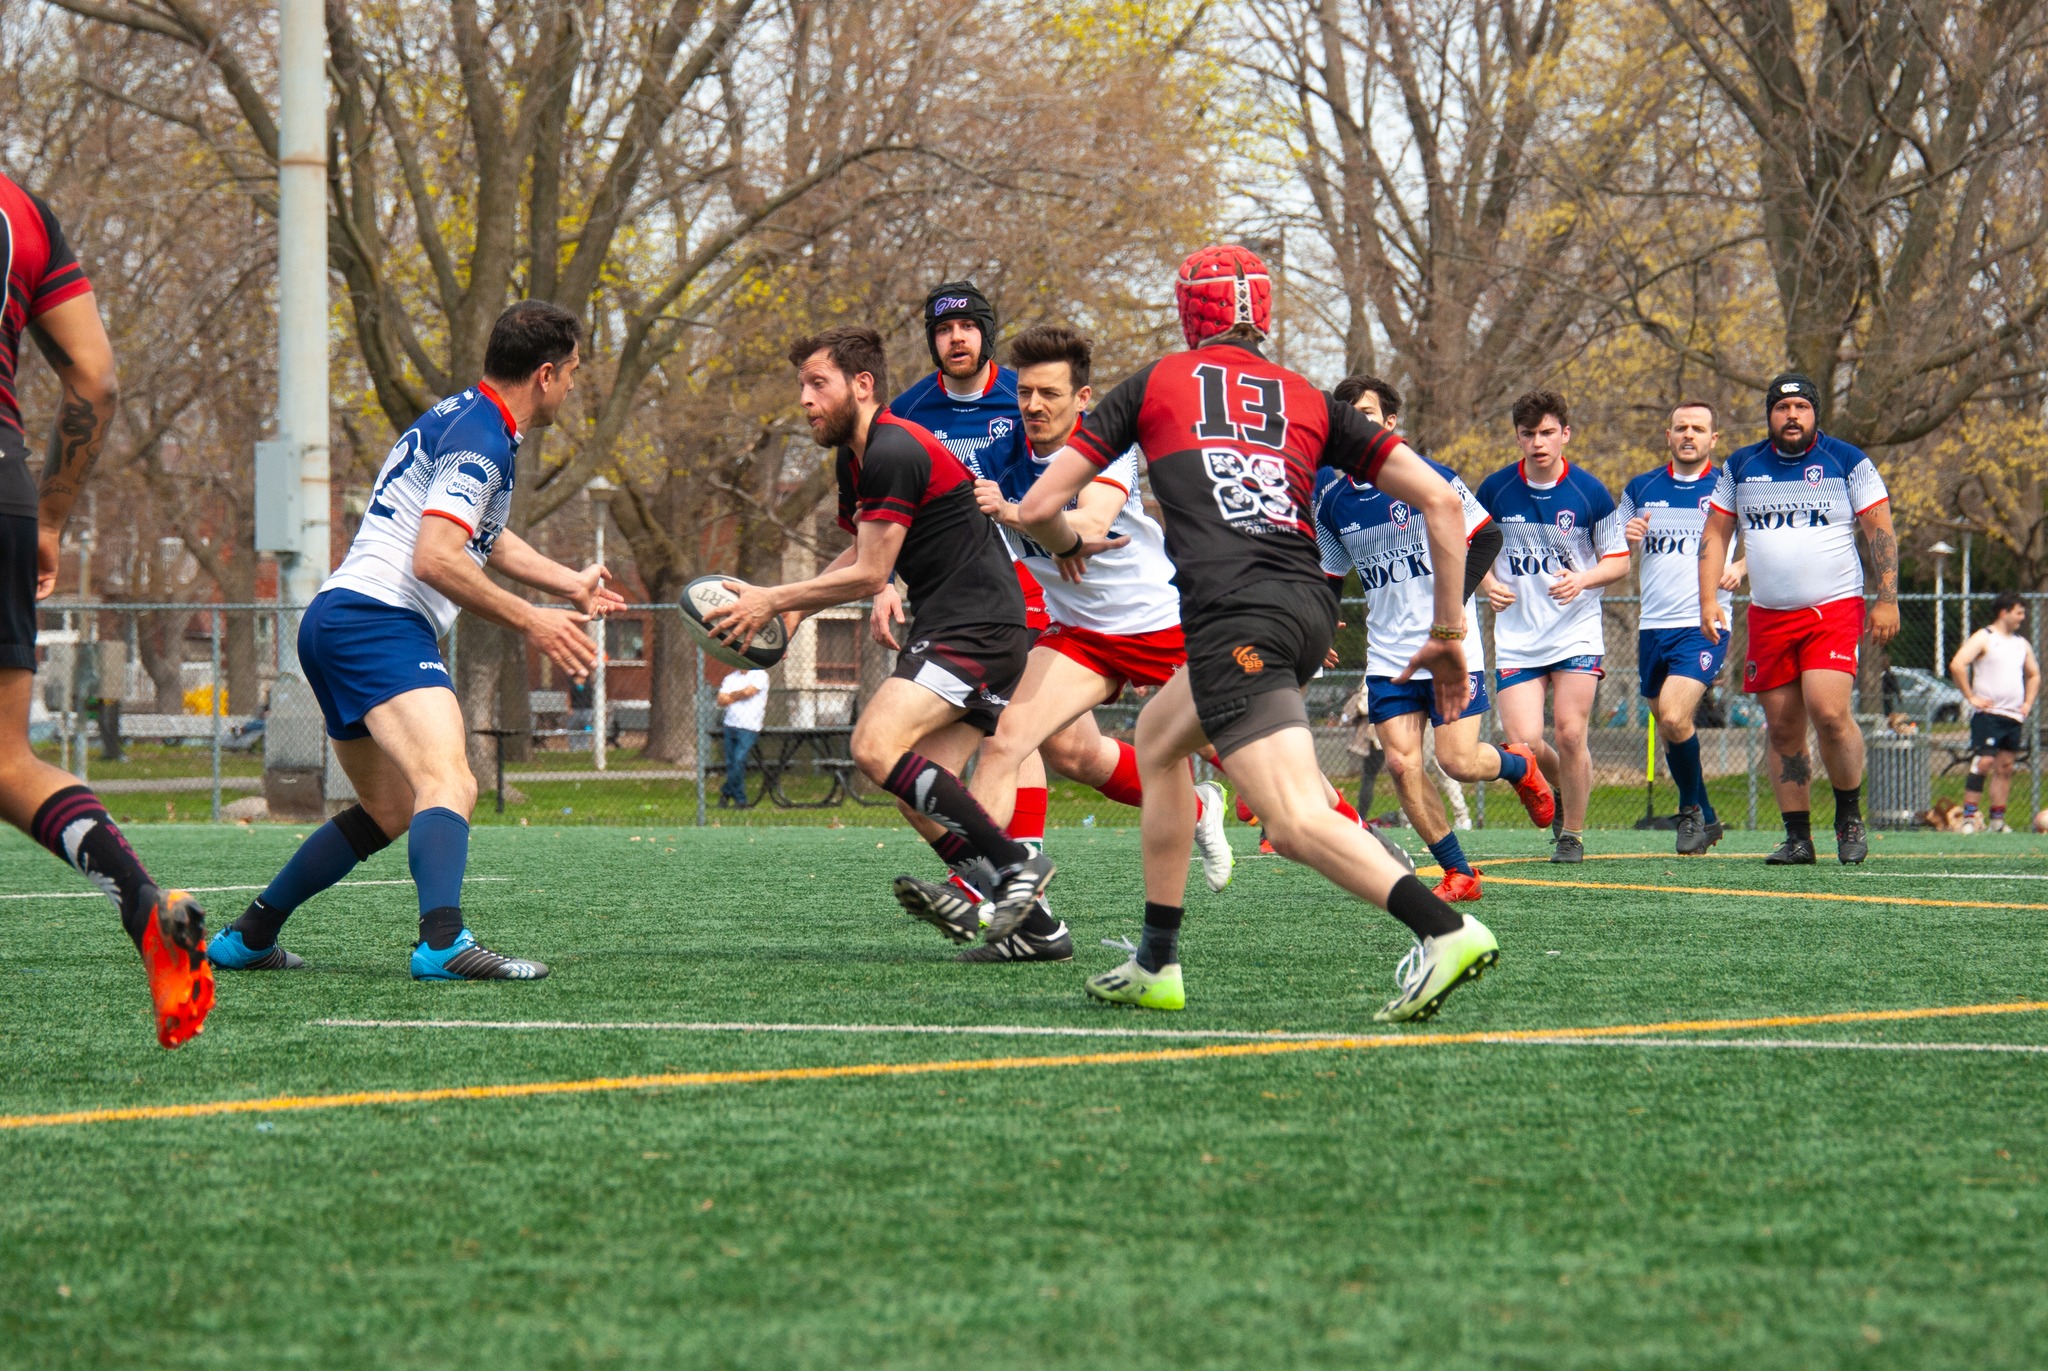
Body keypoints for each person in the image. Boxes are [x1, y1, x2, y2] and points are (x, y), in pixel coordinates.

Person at [1015, 243, 1498, 1022]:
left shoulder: (1155, 383)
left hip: (1236, 616)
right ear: (1262, 315)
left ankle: (1445, 927)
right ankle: (1155, 961)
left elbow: (1039, 509)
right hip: (1308, 609)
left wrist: (1066, 544)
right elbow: (1444, 504)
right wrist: (1449, 628)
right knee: (1158, 741)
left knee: (1294, 818)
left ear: (1187, 312)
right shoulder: (1309, 396)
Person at [208, 301, 620, 979]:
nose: (574, 385)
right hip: (378, 620)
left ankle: (249, 935)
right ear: (544, 374)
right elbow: (435, 556)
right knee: (449, 779)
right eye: (573, 372)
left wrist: (565, 582)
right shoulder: (484, 440)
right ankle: (443, 942)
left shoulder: (465, 416)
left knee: (391, 806)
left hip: (336, 618)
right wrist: (533, 618)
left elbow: (480, 532)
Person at [706, 325, 1075, 948]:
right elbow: (861, 547)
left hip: (976, 625)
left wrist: (774, 597)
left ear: (863, 384)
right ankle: (1039, 930)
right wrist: (792, 617)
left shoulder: (894, 448)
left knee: (874, 745)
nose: (805, 399)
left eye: (817, 384)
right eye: (802, 385)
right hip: (965, 623)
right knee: (918, 790)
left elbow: (874, 573)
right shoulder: (856, 458)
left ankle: (1016, 866)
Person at [883, 285, 1197, 926]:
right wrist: (880, 576)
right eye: (1026, 394)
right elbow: (915, 506)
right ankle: (995, 897)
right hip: (1073, 631)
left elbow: (1087, 526)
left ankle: (1364, 844)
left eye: (1048, 394)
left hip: (1160, 626)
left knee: (1266, 772)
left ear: (1081, 399)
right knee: (1009, 743)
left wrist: (1039, 525)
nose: (1031, 405)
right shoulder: (972, 440)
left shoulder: (1104, 444)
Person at [0, 173, 213, 1047]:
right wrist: (49, 516)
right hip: (4, 491)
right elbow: (94, 379)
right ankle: (140, 900)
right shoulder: (23, 209)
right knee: (8, 760)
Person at [1314, 374, 1553, 900]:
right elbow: (1330, 575)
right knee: (1401, 764)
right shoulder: (1330, 500)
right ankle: (1459, 872)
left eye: (1367, 413)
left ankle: (1518, 764)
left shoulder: (1429, 477)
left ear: (1389, 422)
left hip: (1449, 646)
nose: (1357, 422)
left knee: (1458, 763)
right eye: (1347, 414)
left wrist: (1457, 606)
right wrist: (1320, 624)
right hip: (1389, 655)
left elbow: (1487, 535)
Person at [1698, 372, 1899, 864]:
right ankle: (1798, 837)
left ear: (1815, 414)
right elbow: (1716, 535)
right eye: (1783, 408)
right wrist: (1707, 601)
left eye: (1802, 408)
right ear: (1770, 414)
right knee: (1783, 727)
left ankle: (1849, 816)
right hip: (1768, 615)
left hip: (1833, 607)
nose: (1792, 416)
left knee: (1828, 712)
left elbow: (1880, 532)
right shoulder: (1741, 466)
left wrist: (1887, 597)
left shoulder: (1847, 461)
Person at [1476, 391, 1630, 863]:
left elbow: (1620, 561)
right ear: (1518, 438)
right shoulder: (1496, 490)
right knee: (1524, 744)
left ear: (1565, 434)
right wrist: (1486, 582)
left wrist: (1583, 579)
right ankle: (1563, 786)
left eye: (1547, 433)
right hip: (1519, 638)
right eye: (1529, 435)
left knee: (1568, 732)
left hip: (1575, 631)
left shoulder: (1588, 491)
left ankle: (1573, 834)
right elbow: (1468, 547)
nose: (1538, 443)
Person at [1617, 401, 1746, 855]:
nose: (1688, 435)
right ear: (1668, 435)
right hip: (1653, 627)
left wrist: (1743, 564)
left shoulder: (1728, 488)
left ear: (1714, 438)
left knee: (1673, 715)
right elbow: (1615, 554)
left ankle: (1690, 812)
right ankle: (1708, 818)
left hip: (1704, 623)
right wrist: (1625, 539)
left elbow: (1769, 537)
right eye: (1680, 428)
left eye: (1698, 429)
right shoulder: (1641, 488)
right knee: (1670, 725)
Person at [1950, 592, 2038, 832]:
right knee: (1984, 761)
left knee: (2006, 766)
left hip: (2013, 716)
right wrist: (1970, 697)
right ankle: (1969, 817)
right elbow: (1958, 664)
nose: (2022, 617)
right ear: (2004, 612)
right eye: (2019, 612)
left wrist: (2028, 702)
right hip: (1988, 715)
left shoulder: (2021, 644)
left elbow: (2034, 674)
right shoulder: (1984, 637)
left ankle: (1997, 821)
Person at [716, 665, 771, 807]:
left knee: (739, 760)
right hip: (730, 725)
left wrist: (731, 695)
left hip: (749, 727)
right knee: (731, 763)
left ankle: (727, 793)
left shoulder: (760, 675)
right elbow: (721, 700)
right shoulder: (730, 678)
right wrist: (737, 695)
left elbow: (749, 692)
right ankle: (740, 800)